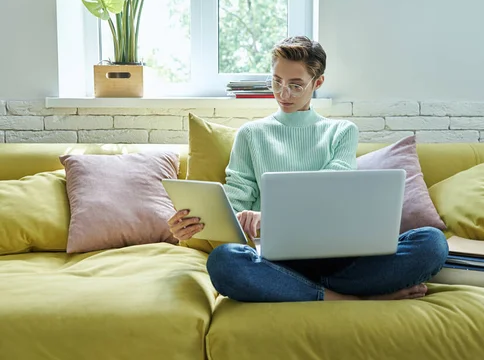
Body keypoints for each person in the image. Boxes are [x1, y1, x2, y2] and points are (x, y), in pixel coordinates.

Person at [168, 36, 448, 302]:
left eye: (296, 85)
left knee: (432, 243)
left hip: (342, 263)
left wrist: (269, 217)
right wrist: (198, 222)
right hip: (276, 265)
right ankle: (349, 299)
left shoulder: (340, 132)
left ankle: (306, 294)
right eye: (276, 82)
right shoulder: (251, 134)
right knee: (224, 261)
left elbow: (332, 196)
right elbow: (234, 203)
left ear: (318, 82)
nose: (283, 93)